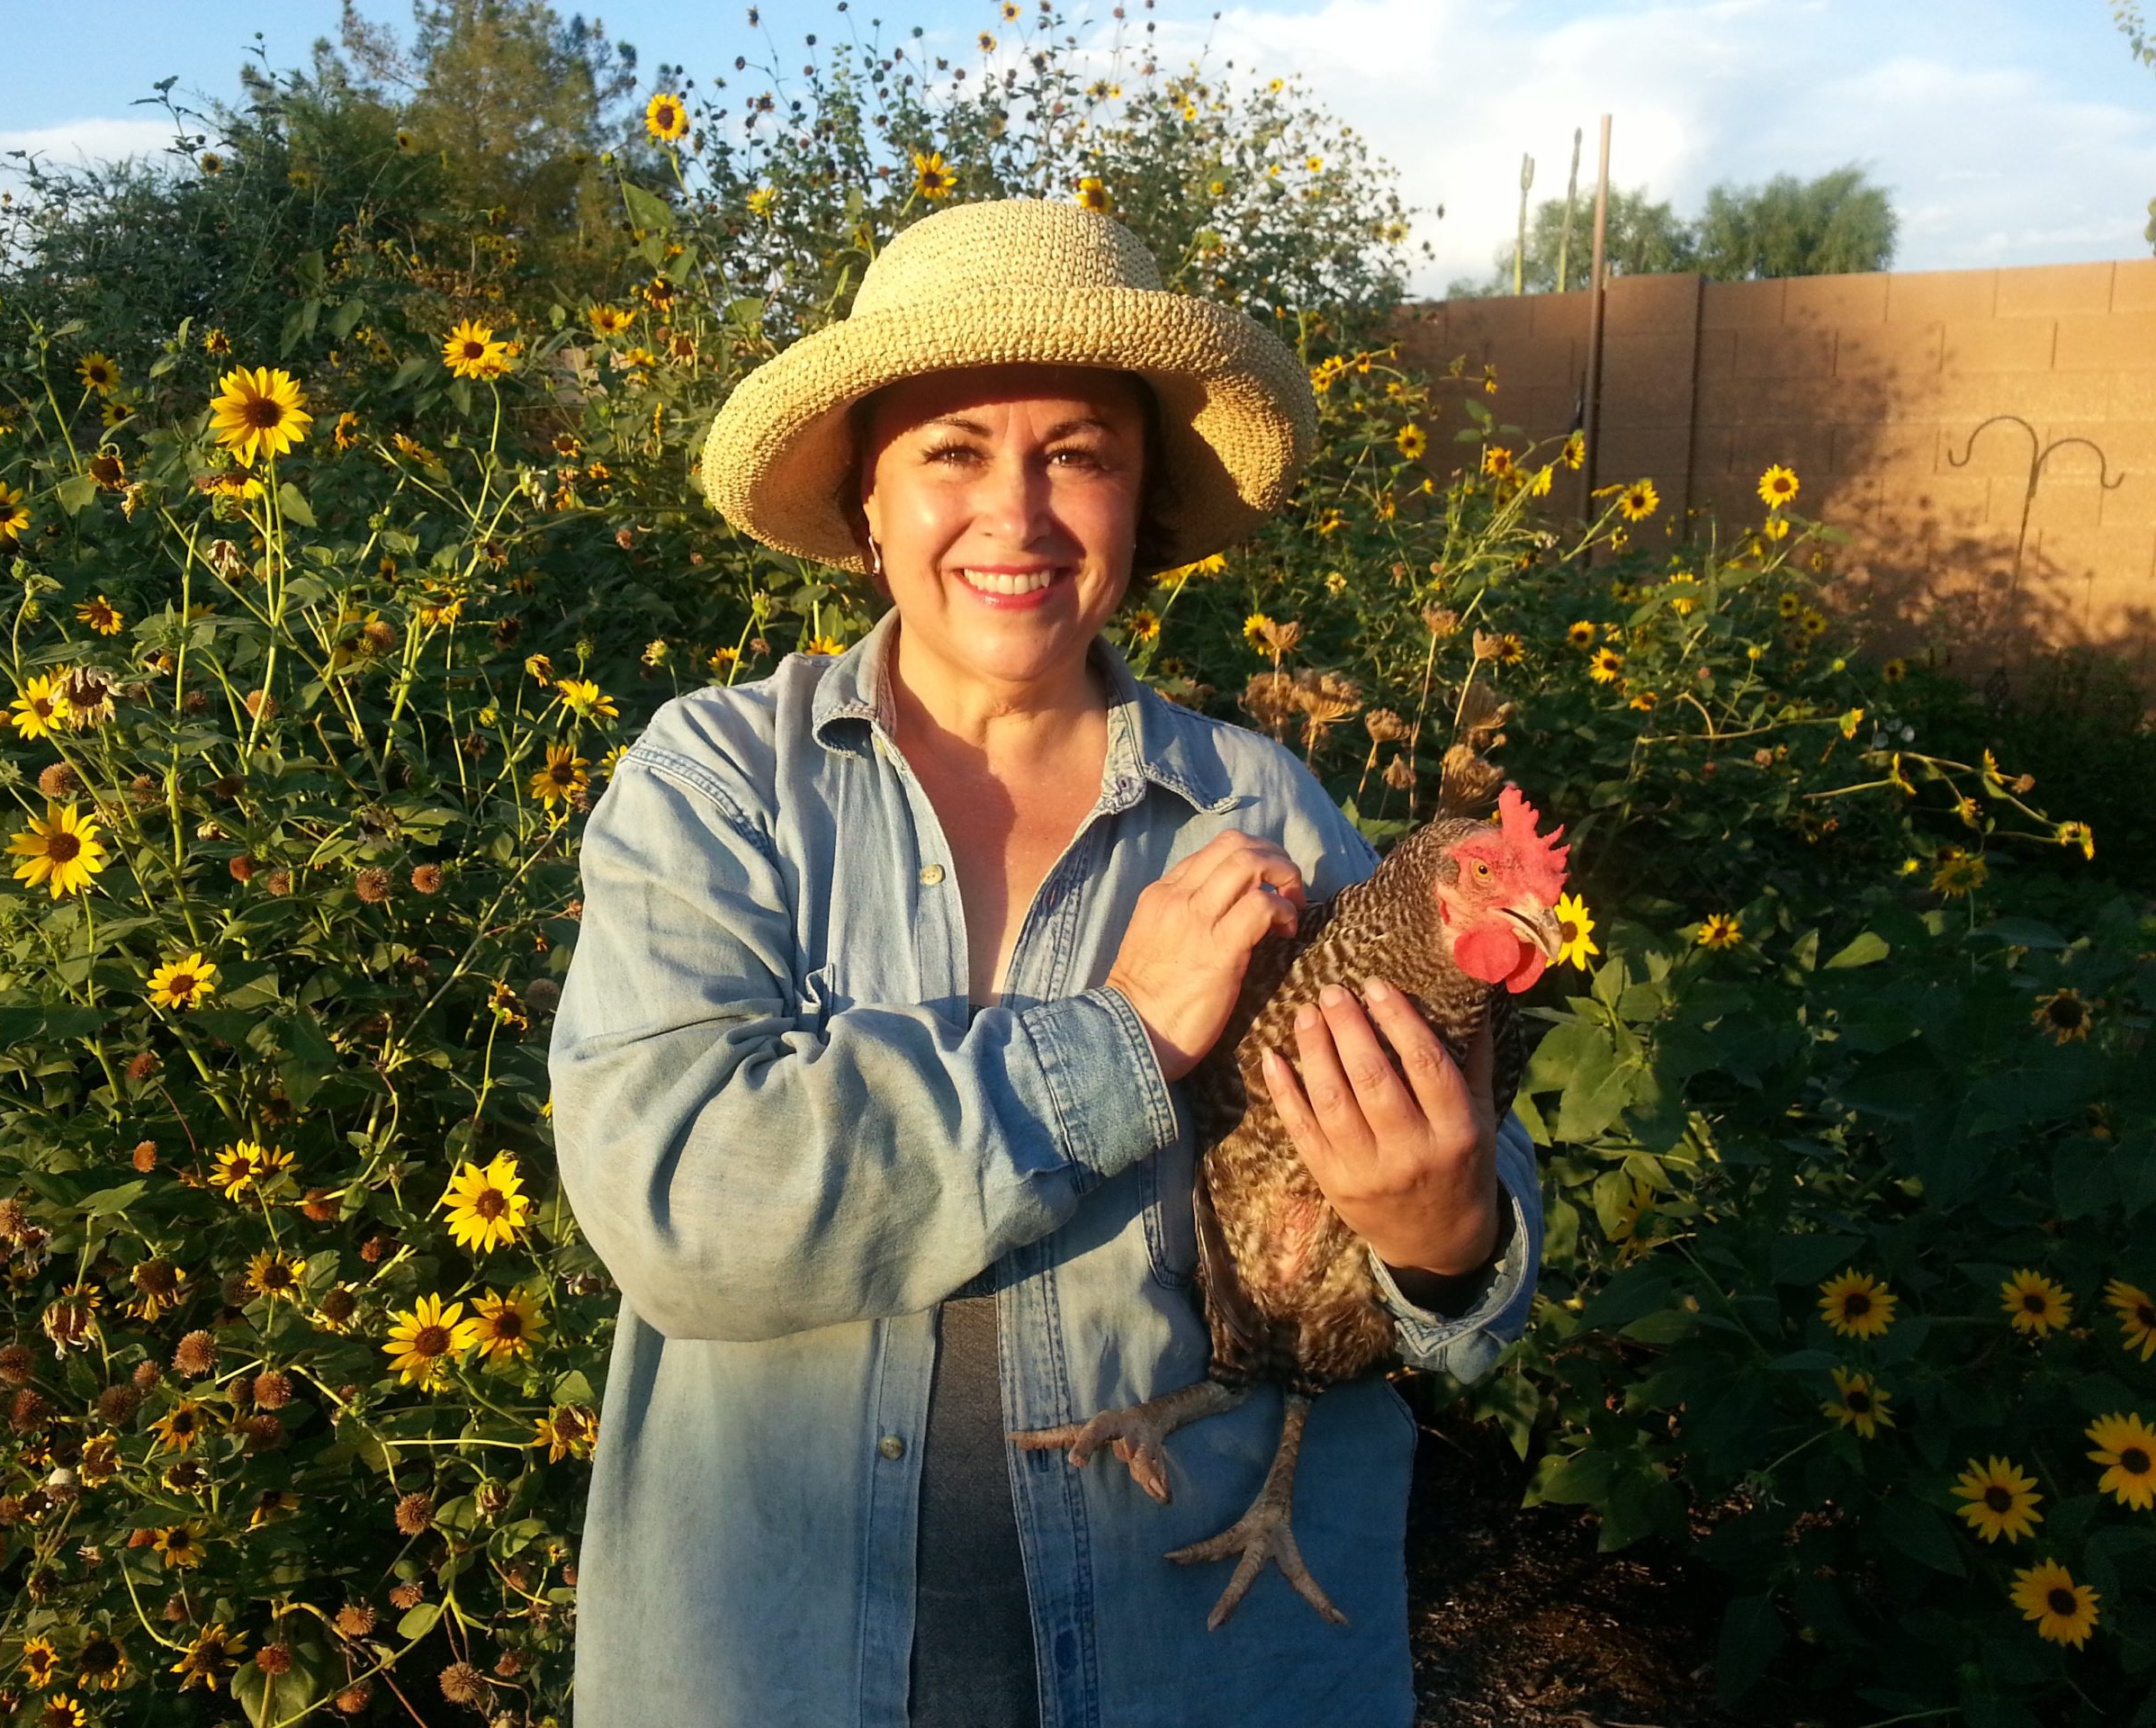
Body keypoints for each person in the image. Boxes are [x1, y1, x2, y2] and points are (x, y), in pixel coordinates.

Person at [549, 197, 1542, 1728]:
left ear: (1140, 505)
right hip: (779, 1658)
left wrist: (1450, 1235)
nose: (1015, 515)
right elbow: (685, 1202)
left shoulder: (1258, 807)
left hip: (1195, 1655)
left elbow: (1451, 1249)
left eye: (1077, 452)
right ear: (868, 506)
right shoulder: (721, 782)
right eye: (951, 451)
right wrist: (1122, 1037)